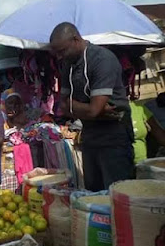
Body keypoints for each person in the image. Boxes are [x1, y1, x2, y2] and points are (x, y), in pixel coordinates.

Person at [50, 22, 134, 192]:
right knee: (94, 194)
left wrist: (77, 107)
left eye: (62, 51)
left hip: (113, 137)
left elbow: (92, 109)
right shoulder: (68, 65)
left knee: (117, 193)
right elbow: (64, 107)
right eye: (57, 53)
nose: (59, 56)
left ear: (76, 39)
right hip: (89, 136)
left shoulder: (102, 59)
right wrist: (90, 110)